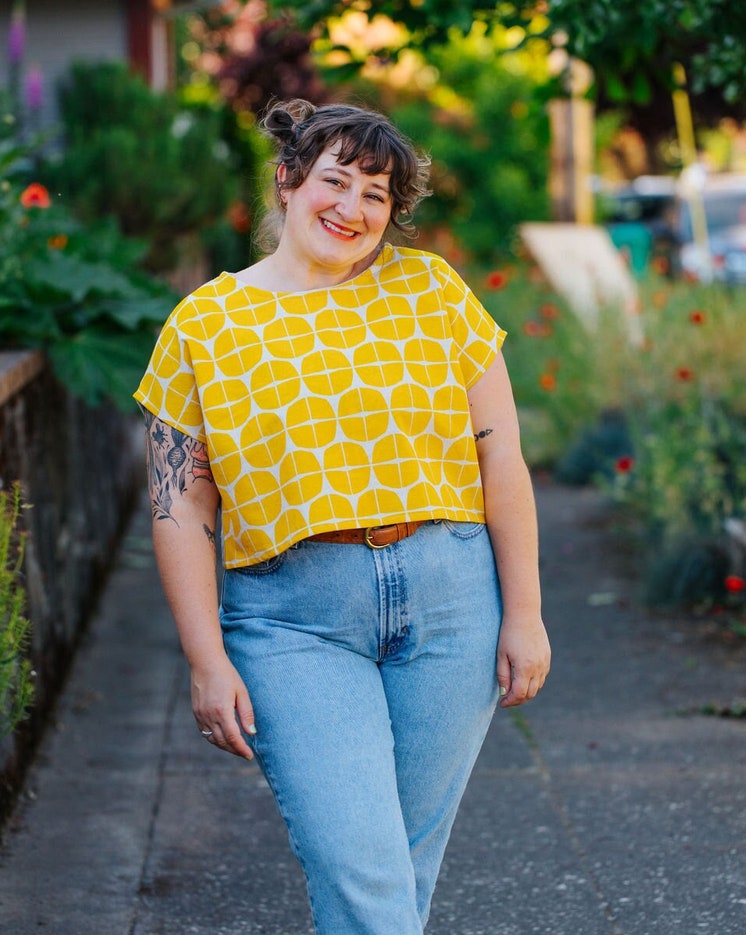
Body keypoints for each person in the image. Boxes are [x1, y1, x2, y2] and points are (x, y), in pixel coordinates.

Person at [134, 98, 550, 935]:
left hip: (452, 602)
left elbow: (499, 455)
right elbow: (178, 500)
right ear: (289, 181)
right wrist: (205, 657)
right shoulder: (204, 325)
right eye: (336, 180)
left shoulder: (432, 291)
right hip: (295, 623)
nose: (352, 209)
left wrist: (526, 612)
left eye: (377, 194)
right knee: (363, 869)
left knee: (399, 871)